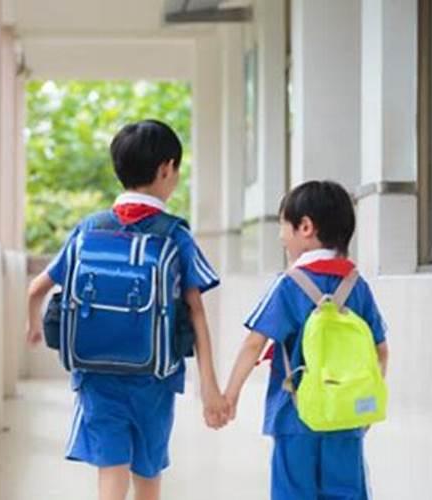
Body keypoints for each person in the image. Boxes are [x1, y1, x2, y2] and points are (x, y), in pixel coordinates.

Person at [26, 119, 229, 500]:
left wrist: (34, 325)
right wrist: (209, 386)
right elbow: (196, 310)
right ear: (166, 168)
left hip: (96, 373)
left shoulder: (90, 229)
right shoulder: (174, 234)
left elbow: (36, 288)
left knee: (111, 474)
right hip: (154, 378)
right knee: (147, 475)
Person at [223, 180, 390, 500]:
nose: (280, 236)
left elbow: (253, 345)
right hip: (345, 416)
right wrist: (365, 405)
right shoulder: (357, 286)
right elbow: (380, 351)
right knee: (346, 492)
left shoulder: (288, 285)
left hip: (294, 416)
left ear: (306, 227)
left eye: (283, 226)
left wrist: (230, 396)